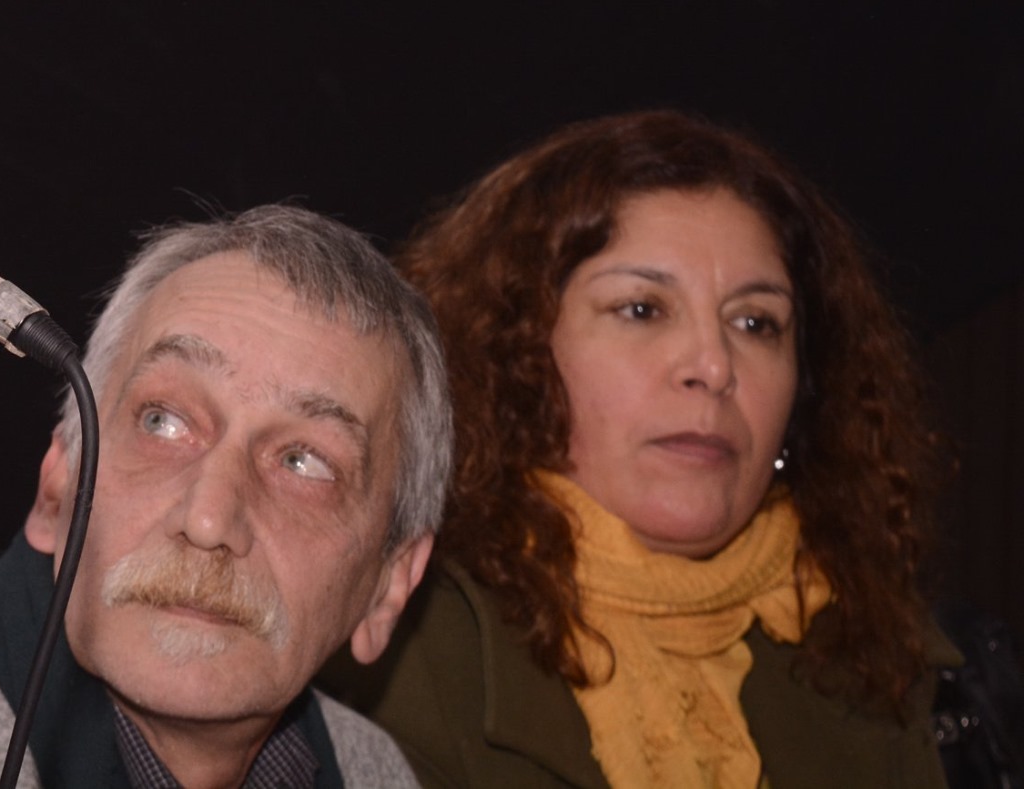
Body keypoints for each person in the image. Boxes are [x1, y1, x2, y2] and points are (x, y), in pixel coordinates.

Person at [321, 111, 954, 788]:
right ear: (515, 352)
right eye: (643, 309)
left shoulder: (877, 650)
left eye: (755, 322)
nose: (714, 365)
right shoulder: (383, 640)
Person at [0, 203, 452, 789]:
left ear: (390, 586)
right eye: (163, 421)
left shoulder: (372, 770)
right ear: (57, 485)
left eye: (302, 461)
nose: (209, 518)